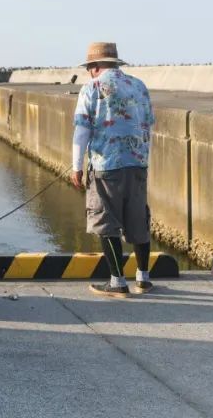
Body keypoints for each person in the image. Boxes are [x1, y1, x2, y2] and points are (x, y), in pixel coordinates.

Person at [69, 42, 156, 298]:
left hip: (106, 164)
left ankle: (117, 282)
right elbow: (149, 125)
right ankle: (144, 279)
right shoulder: (139, 86)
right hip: (138, 162)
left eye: (89, 68)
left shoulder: (92, 88)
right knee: (138, 219)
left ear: (95, 67)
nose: (88, 72)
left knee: (106, 222)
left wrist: (76, 167)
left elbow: (82, 129)